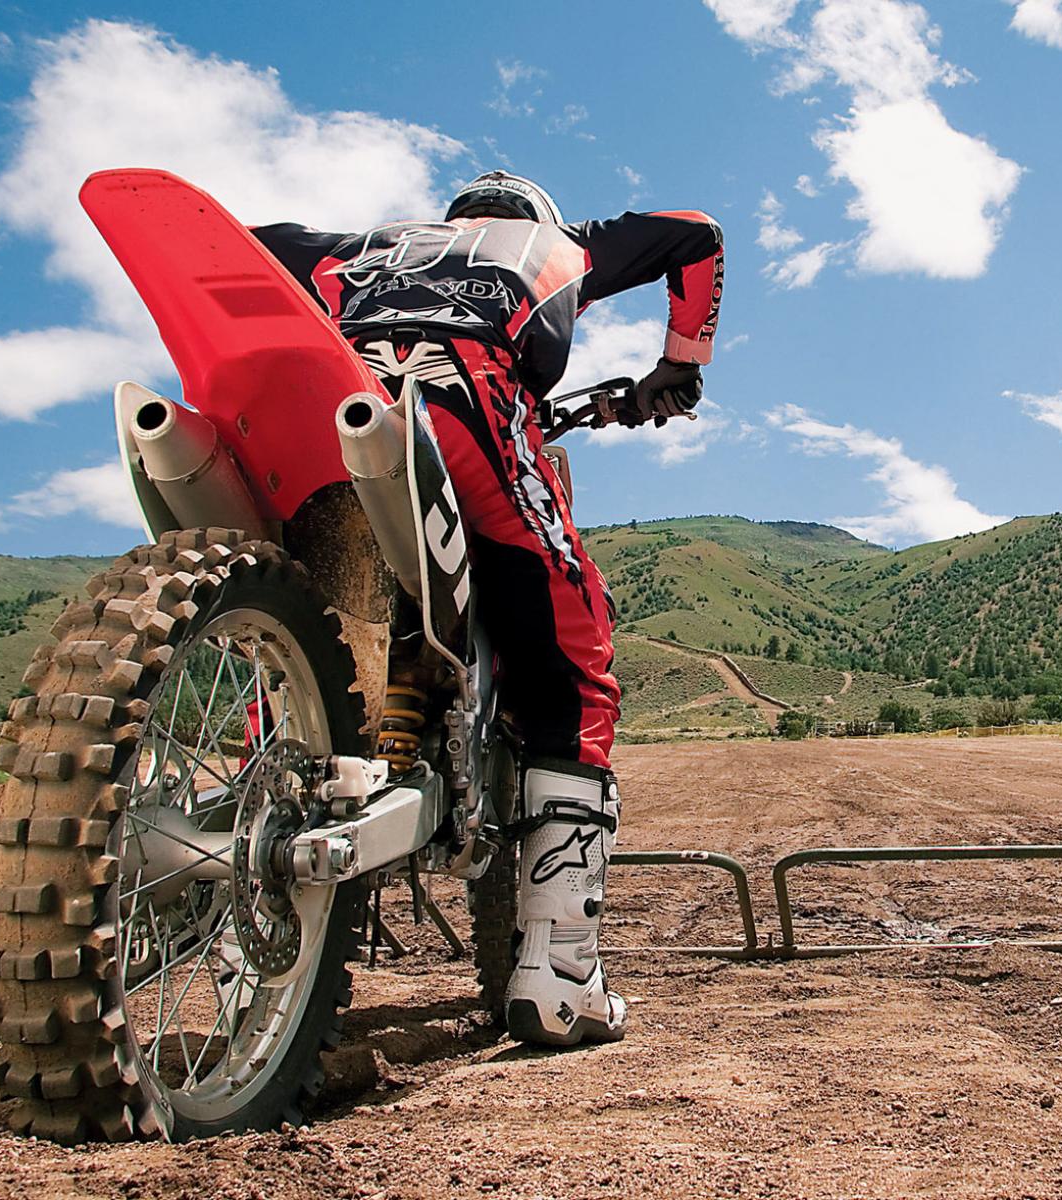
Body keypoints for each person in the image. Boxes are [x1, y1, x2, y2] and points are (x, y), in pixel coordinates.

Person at [253, 171, 722, 1046]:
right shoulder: (556, 244)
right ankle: (561, 975)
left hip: (325, 418)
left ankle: (250, 814)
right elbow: (695, 233)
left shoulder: (361, 248)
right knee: (575, 654)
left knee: (287, 634)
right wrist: (679, 367)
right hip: (463, 406)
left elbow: (238, 246)